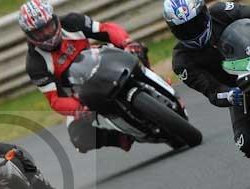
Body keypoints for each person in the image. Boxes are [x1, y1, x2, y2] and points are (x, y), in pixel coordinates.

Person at [164, 0, 250, 158]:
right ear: (173, 31)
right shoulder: (182, 62)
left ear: (205, 13)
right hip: (244, 88)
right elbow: (212, 91)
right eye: (184, 30)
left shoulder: (220, 11)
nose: (193, 32)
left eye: (196, 23)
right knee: (248, 143)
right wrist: (229, 94)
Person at [19, 0, 151, 153]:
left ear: (54, 19)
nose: (46, 33)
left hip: (103, 63)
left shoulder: (72, 22)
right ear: (29, 35)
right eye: (38, 31)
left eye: (47, 26)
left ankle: (156, 81)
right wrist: (78, 108)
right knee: (79, 138)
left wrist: (126, 42)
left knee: (136, 50)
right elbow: (54, 99)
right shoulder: (35, 63)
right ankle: (122, 138)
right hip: (82, 95)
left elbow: (106, 29)